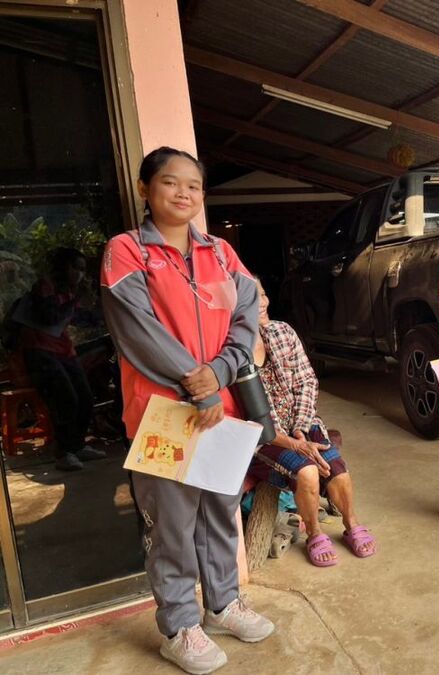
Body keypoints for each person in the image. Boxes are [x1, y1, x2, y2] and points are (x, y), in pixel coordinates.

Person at [101, 147, 272, 674]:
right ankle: (178, 627)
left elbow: (247, 314)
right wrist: (196, 384)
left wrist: (219, 373)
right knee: (172, 525)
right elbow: (138, 330)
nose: (184, 193)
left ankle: (222, 605)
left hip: (222, 411)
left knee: (219, 512)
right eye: (171, 182)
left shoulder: (221, 252)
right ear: (145, 189)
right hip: (163, 414)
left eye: (193, 185)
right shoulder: (127, 251)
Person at [246, 278, 376, 566]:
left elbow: (306, 380)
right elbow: (258, 413)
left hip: (300, 424)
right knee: (307, 472)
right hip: (265, 437)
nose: (263, 302)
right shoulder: (236, 352)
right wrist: (294, 443)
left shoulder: (282, 332)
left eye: (263, 294)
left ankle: (351, 523)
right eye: (253, 298)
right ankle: (314, 533)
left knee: (337, 470)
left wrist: (301, 429)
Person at [15, 247, 106, 470]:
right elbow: (50, 316)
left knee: (85, 398)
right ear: (64, 267)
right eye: (75, 268)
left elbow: (82, 319)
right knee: (66, 399)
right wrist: (76, 300)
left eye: (83, 270)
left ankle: (77, 445)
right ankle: (63, 452)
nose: (79, 274)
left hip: (63, 350)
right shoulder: (45, 287)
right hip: (39, 350)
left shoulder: (70, 292)